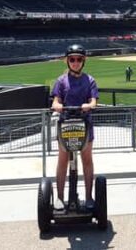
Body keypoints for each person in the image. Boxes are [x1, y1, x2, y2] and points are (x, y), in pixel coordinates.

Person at [51, 44, 99, 210]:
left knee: (87, 160)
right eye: (72, 59)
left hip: (84, 124)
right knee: (63, 161)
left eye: (79, 59)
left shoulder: (89, 80)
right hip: (66, 124)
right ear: (67, 61)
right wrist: (57, 105)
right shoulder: (61, 81)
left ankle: (89, 197)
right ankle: (59, 197)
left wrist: (89, 105)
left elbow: (94, 101)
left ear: (83, 61)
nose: (76, 62)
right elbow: (55, 100)